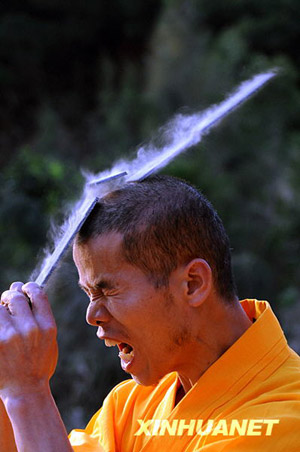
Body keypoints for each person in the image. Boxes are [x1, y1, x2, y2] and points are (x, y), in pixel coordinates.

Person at [0, 175, 299, 452]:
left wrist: (27, 392)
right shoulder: (129, 406)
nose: (92, 315)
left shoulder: (283, 416)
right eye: (89, 294)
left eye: (107, 290)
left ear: (192, 284)